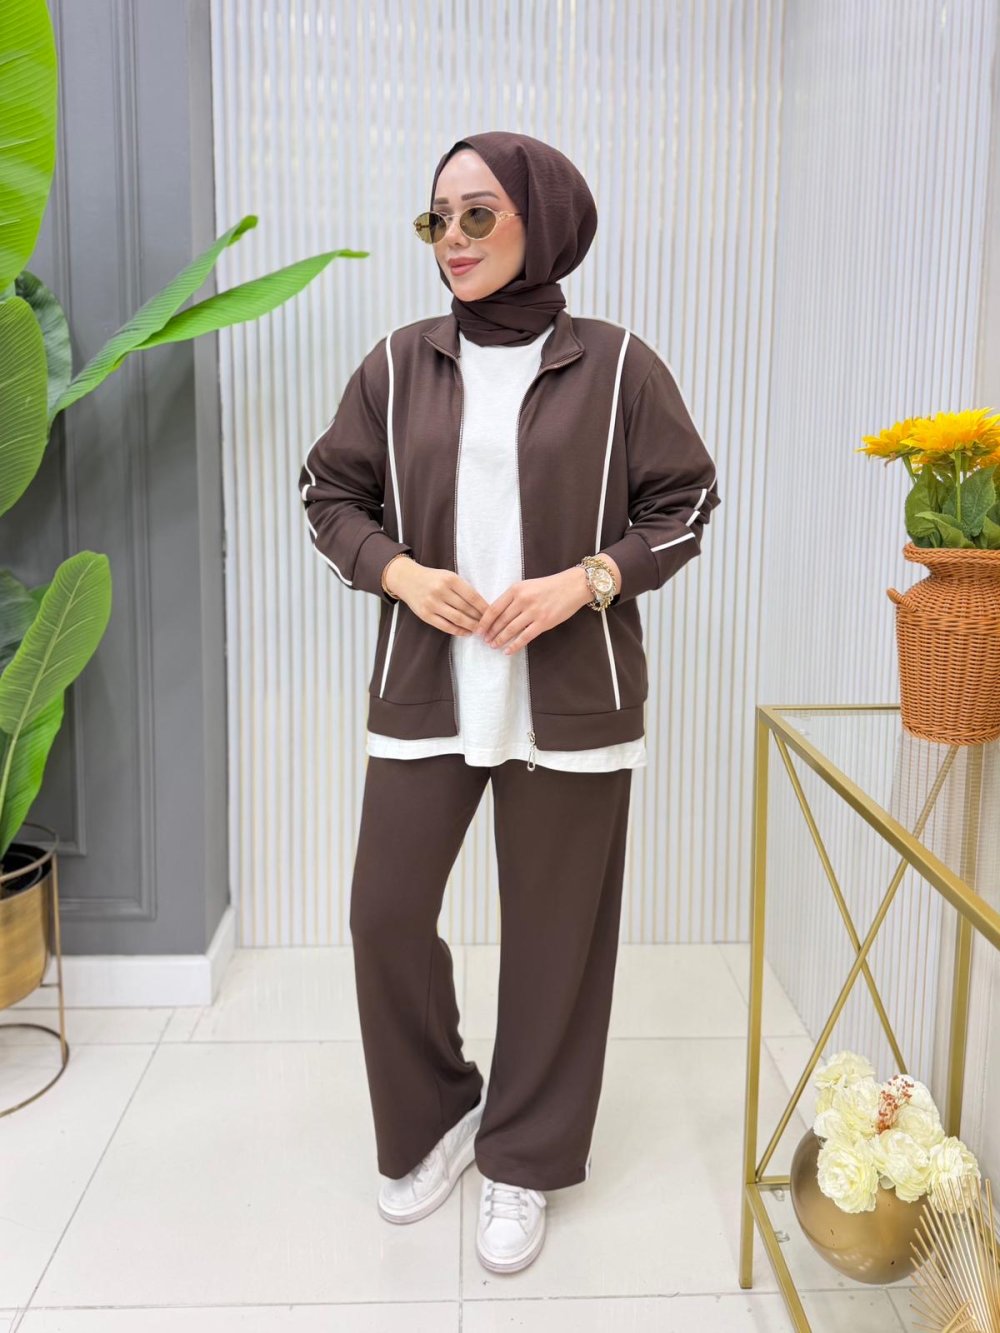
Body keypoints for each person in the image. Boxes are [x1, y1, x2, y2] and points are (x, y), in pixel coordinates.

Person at [297, 130, 721, 1275]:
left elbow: (684, 502)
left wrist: (584, 582)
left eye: (478, 213)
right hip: (426, 689)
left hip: (571, 697)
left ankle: (523, 1156)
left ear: (542, 219)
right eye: (436, 217)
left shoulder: (619, 367)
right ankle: (438, 1114)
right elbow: (329, 492)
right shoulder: (397, 365)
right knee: (384, 913)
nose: (453, 237)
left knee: (552, 942)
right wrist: (398, 572)